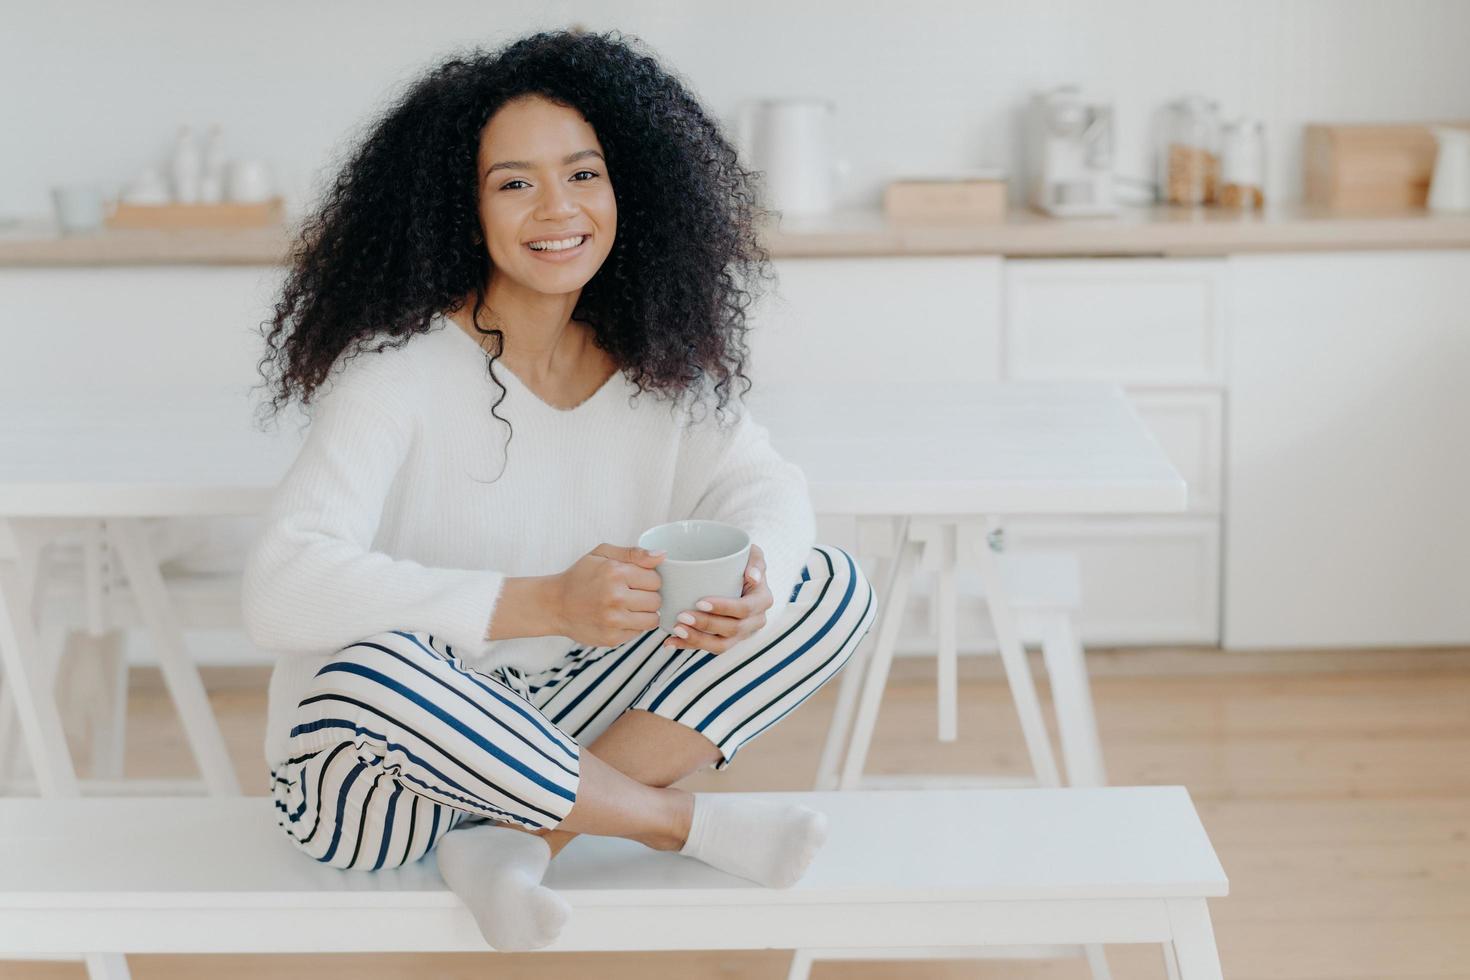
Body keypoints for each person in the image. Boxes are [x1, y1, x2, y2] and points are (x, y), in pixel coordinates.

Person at [242, 28, 877, 952]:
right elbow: (277, 588)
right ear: (460, 208)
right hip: (378, 783)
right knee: (371, 667)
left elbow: (763, 485)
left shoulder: (657, 369)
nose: (558, 208)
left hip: (547, 729)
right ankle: (672, 825)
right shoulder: (394, 374)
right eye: (514, 182)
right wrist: (540, 603)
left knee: (824, 584)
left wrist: (759, 580)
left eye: (584, 174)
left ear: (632, 190)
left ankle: (517, 839)